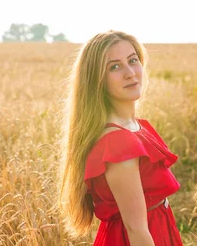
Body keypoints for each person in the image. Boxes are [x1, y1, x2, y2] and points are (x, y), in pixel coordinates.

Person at [56, 30, 183, 246]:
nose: (130, 73)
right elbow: (136, 229)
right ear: (96, 80)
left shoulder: (136, 128)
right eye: (114, 67)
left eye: (133, 61)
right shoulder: (118, 143)